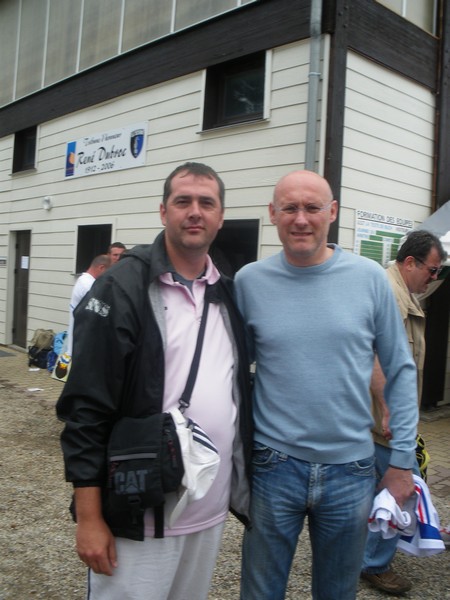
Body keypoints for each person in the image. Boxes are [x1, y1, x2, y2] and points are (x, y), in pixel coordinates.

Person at [56, 162, 252, 600]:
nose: (195, 211)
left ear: (221, 216)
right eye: (183, 201)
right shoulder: (122, 287)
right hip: (138, 512)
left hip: (208, 511)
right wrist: (89, 517)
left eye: (207, 203)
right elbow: (85, 409)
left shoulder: (228, 293)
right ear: (163, 211)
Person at [234, 170, 418, 600]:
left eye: (312, 208)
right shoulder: (249, 282)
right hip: (273, 465)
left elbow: (400, 369)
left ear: (332, 212)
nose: (301, 219)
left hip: (351, 470)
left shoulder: (369, 278)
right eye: (290, 208)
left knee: (337, 593)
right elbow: (233, 371)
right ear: (272, 213)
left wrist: (402, 462)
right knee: (260, 593)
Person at [361, 229, 447, 595]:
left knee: (374, 490)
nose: (435, 278)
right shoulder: (391, 296)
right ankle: (374, 564)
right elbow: (374, 358)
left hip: (383, 421)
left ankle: (363, 553)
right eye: (432, 270)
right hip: (384, 424)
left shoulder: (401, 293)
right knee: (401, 486)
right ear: (410, 262)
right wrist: (390, 410)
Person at [66, 254, 111, 356]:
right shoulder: (87, 285)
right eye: (108, 272)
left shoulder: (85, 280)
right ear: (101, 268)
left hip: (80, 344)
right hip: (79, 346)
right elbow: (103, 311)